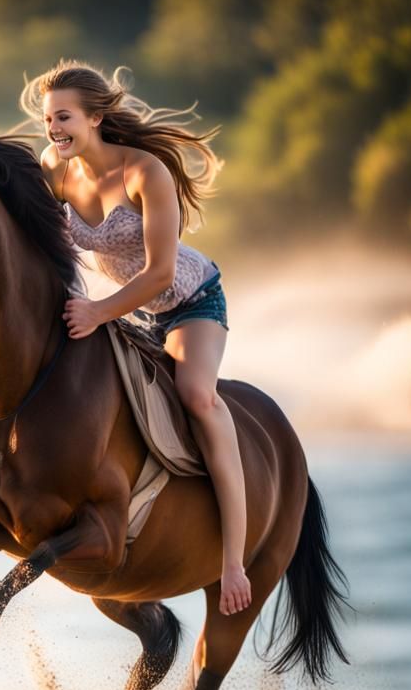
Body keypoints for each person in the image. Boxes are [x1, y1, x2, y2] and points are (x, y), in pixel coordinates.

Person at [20, 60, 252, 616]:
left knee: (197, 397)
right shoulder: (55, 166)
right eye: (49, 118)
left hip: (190, 303)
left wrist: (99, 312)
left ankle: (235, 559)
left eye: (65, 117)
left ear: (97, 117)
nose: (53, 128)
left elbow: (160, 275)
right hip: (130, 311)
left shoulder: (145, 172)